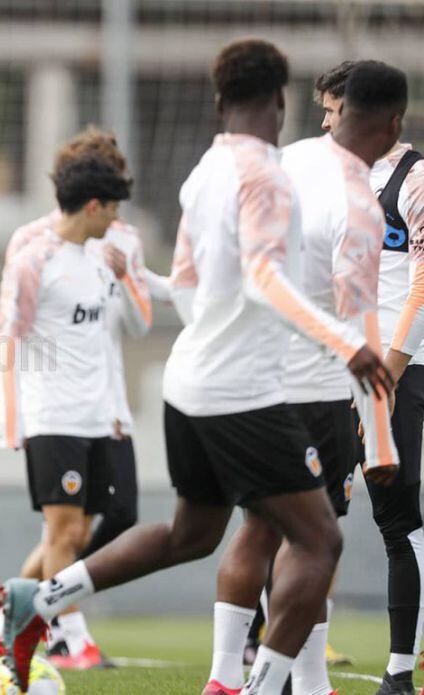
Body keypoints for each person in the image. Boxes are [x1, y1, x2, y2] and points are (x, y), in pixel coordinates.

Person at [0, 38, 393, 695]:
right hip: (242, 390)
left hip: (190, 382)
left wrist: (136, 275)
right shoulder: (268, 174)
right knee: (320, 539)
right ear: (279, 98)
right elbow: (265, 278)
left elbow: (183, 284)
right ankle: (264, 686)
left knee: (193, 532)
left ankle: (36, 597)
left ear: (219, 101)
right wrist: (346, 341)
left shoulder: (205, 170)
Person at [204, 60, 403, 695]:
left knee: (259, 528)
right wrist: (381, 437)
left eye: (329, 106)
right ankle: (290, 683)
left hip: (249, 381)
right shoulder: (361, 206)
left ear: (342, 112)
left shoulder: (282, 161)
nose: (322, 115)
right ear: (393, 121)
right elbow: (363, 331)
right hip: (315, 394)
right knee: (317, 541)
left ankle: (227, 679)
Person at [0, 129, 151, 671]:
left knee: (99, 522)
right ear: (94, 202)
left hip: (104, 416)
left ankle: (12, 612)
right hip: (53, 414)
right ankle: (70, 638)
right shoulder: (33, 256)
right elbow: (8, 338)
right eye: (114, 207)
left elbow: (141, 325)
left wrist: (127, 282)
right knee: (64, 531)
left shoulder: (112, 253)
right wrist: (12, 421)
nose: (119, 219)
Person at [314, 60, 424, 695]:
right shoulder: (332, 179)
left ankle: (399, 672)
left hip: (395, 374)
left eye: (337, 112)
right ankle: (294, 667)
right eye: (325, 111)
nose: (326, 123)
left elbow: (421, 286)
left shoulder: (413, 181)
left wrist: (383, 378)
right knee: (309, 517)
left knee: (398, 522)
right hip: (333, 371)